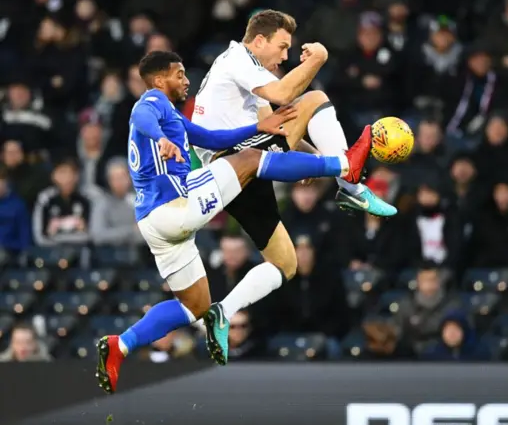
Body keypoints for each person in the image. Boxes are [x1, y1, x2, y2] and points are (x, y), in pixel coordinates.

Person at [96, 50, 373, 394]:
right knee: (253, 159)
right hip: (175, 205)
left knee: (194, 306)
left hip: (155, 224)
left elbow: (212, 140)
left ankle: (120, 345)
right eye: (179, 74)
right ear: (158, 80)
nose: (186, 81)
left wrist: (258, 126)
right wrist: (162, 139)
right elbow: (142, 120)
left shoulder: (171, 116)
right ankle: (345, 167)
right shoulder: (151, 102)